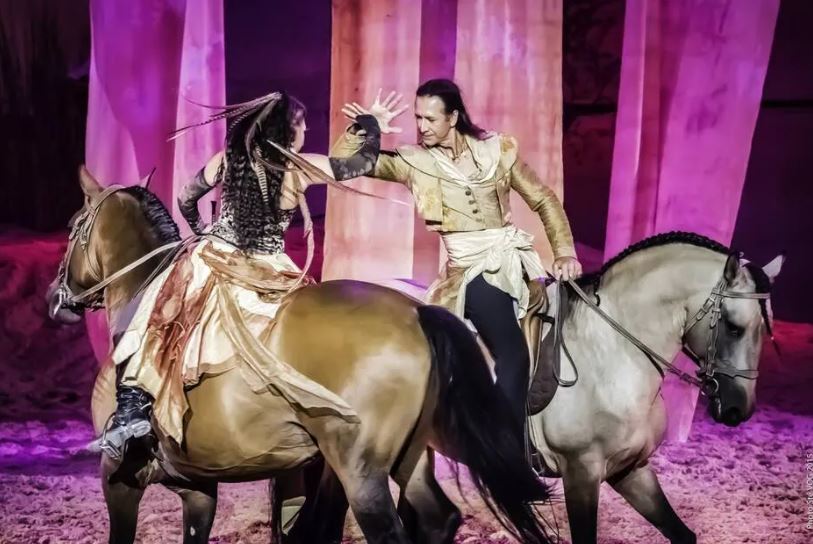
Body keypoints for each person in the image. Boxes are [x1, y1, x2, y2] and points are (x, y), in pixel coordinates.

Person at [98, 91, 386, 460]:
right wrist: (372, 126)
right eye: (302, 123)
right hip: (272, 267)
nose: (306, 129)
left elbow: (186, 197)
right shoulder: (299, 167)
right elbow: (362, 163)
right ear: (287, 129)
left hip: (216, 256)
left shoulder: (225, 161)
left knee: (155, 318)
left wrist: (202, 228)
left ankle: (130, 410)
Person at [335, 79, 582, 429]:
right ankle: (505, 452)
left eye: (430, 119)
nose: (421, 126)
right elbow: (344, 168)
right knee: (513, 354)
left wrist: (564, 251)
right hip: (470, 271)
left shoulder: (496, 151)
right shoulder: (414, 162)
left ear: (453, 117)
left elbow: (543, 199)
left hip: (513, 261)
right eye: (418, 118)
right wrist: (367, 126)